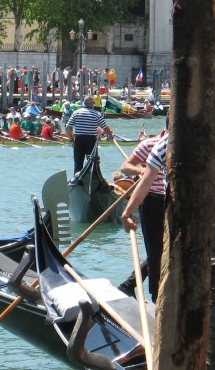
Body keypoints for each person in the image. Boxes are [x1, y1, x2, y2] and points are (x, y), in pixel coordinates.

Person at [117, 131, 167, 302]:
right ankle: (155, 295)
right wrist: (142, 170)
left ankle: (129, 284)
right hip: (151, 200)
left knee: (163, 249)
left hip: (171, 201)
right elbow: (125, 167)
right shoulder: (150, 145)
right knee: (156, 251)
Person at [66, 95, 113, 175]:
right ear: (91, 103)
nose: (94, 104)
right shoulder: (97, 114)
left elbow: (68, 127)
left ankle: (77, 181)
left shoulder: (76, 113)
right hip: (91, 140)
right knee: (93, 163)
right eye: (93, 103)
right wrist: (111, 136)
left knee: (78, 163)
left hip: (79, 140)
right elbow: (105, 127)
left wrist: (71, 140)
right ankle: (93, 180)